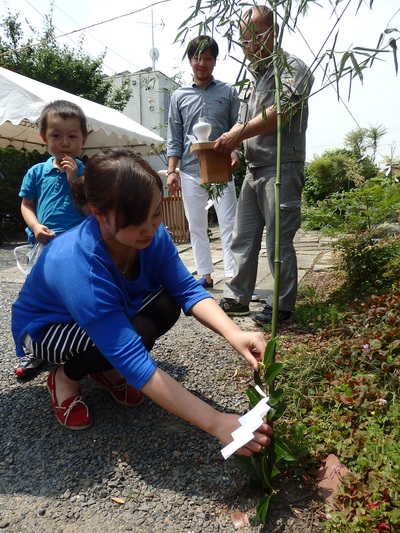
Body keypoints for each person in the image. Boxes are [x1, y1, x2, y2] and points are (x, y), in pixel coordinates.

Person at [11, 148, 272, 456]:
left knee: (165, 304)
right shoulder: (76, 261)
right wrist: (216, 422)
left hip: (97, 319)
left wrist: (235, 333)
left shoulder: (150, 235)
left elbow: (187, 289)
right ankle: (64, 377)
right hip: (46, 330)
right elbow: (130, 354)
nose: (149, 229)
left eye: (156, 214)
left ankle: (104, 370)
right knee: (131, 337)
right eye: (135, 221)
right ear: (97, 213)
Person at [214, 5, 314, 325]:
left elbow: (280, 113)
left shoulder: (292, 68)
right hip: (254, 168)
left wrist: (234, 135)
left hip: (282, 165)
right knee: (243, 237)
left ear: (274, 32)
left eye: (256, 35)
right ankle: (238, 296)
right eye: (244, 38)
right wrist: (236, 153)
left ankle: (282, 305)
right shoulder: (250, 81)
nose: (249, 45)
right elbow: (247, 124)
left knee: (278, 240)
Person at [14, 99, 89, 378]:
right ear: (45, 138)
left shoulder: (85, 172)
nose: (65, 143)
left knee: (74, 298)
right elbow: (26, 205)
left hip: (77, 250)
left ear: (83, 139)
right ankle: (37, 352)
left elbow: (89, 210)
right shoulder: (37, 172)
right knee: (40, 299)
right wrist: (35, 227)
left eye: (72, 136)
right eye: (56, 136)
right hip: (43, 248)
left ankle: (78, 347)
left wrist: (74, 180)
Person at [166, 35, 240, 289]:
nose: (202, 63)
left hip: (221, 168)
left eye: (208, 57)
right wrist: (171, 171)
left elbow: (237, 129)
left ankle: (232, 275)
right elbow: (174, 135)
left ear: (215, 61)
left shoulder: (229, 92)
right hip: (188, 170)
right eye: (197, 57)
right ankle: (205, 274)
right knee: (196, 225)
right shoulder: (178, 96)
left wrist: (235, 154)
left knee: (229, 223)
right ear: (190, 61)